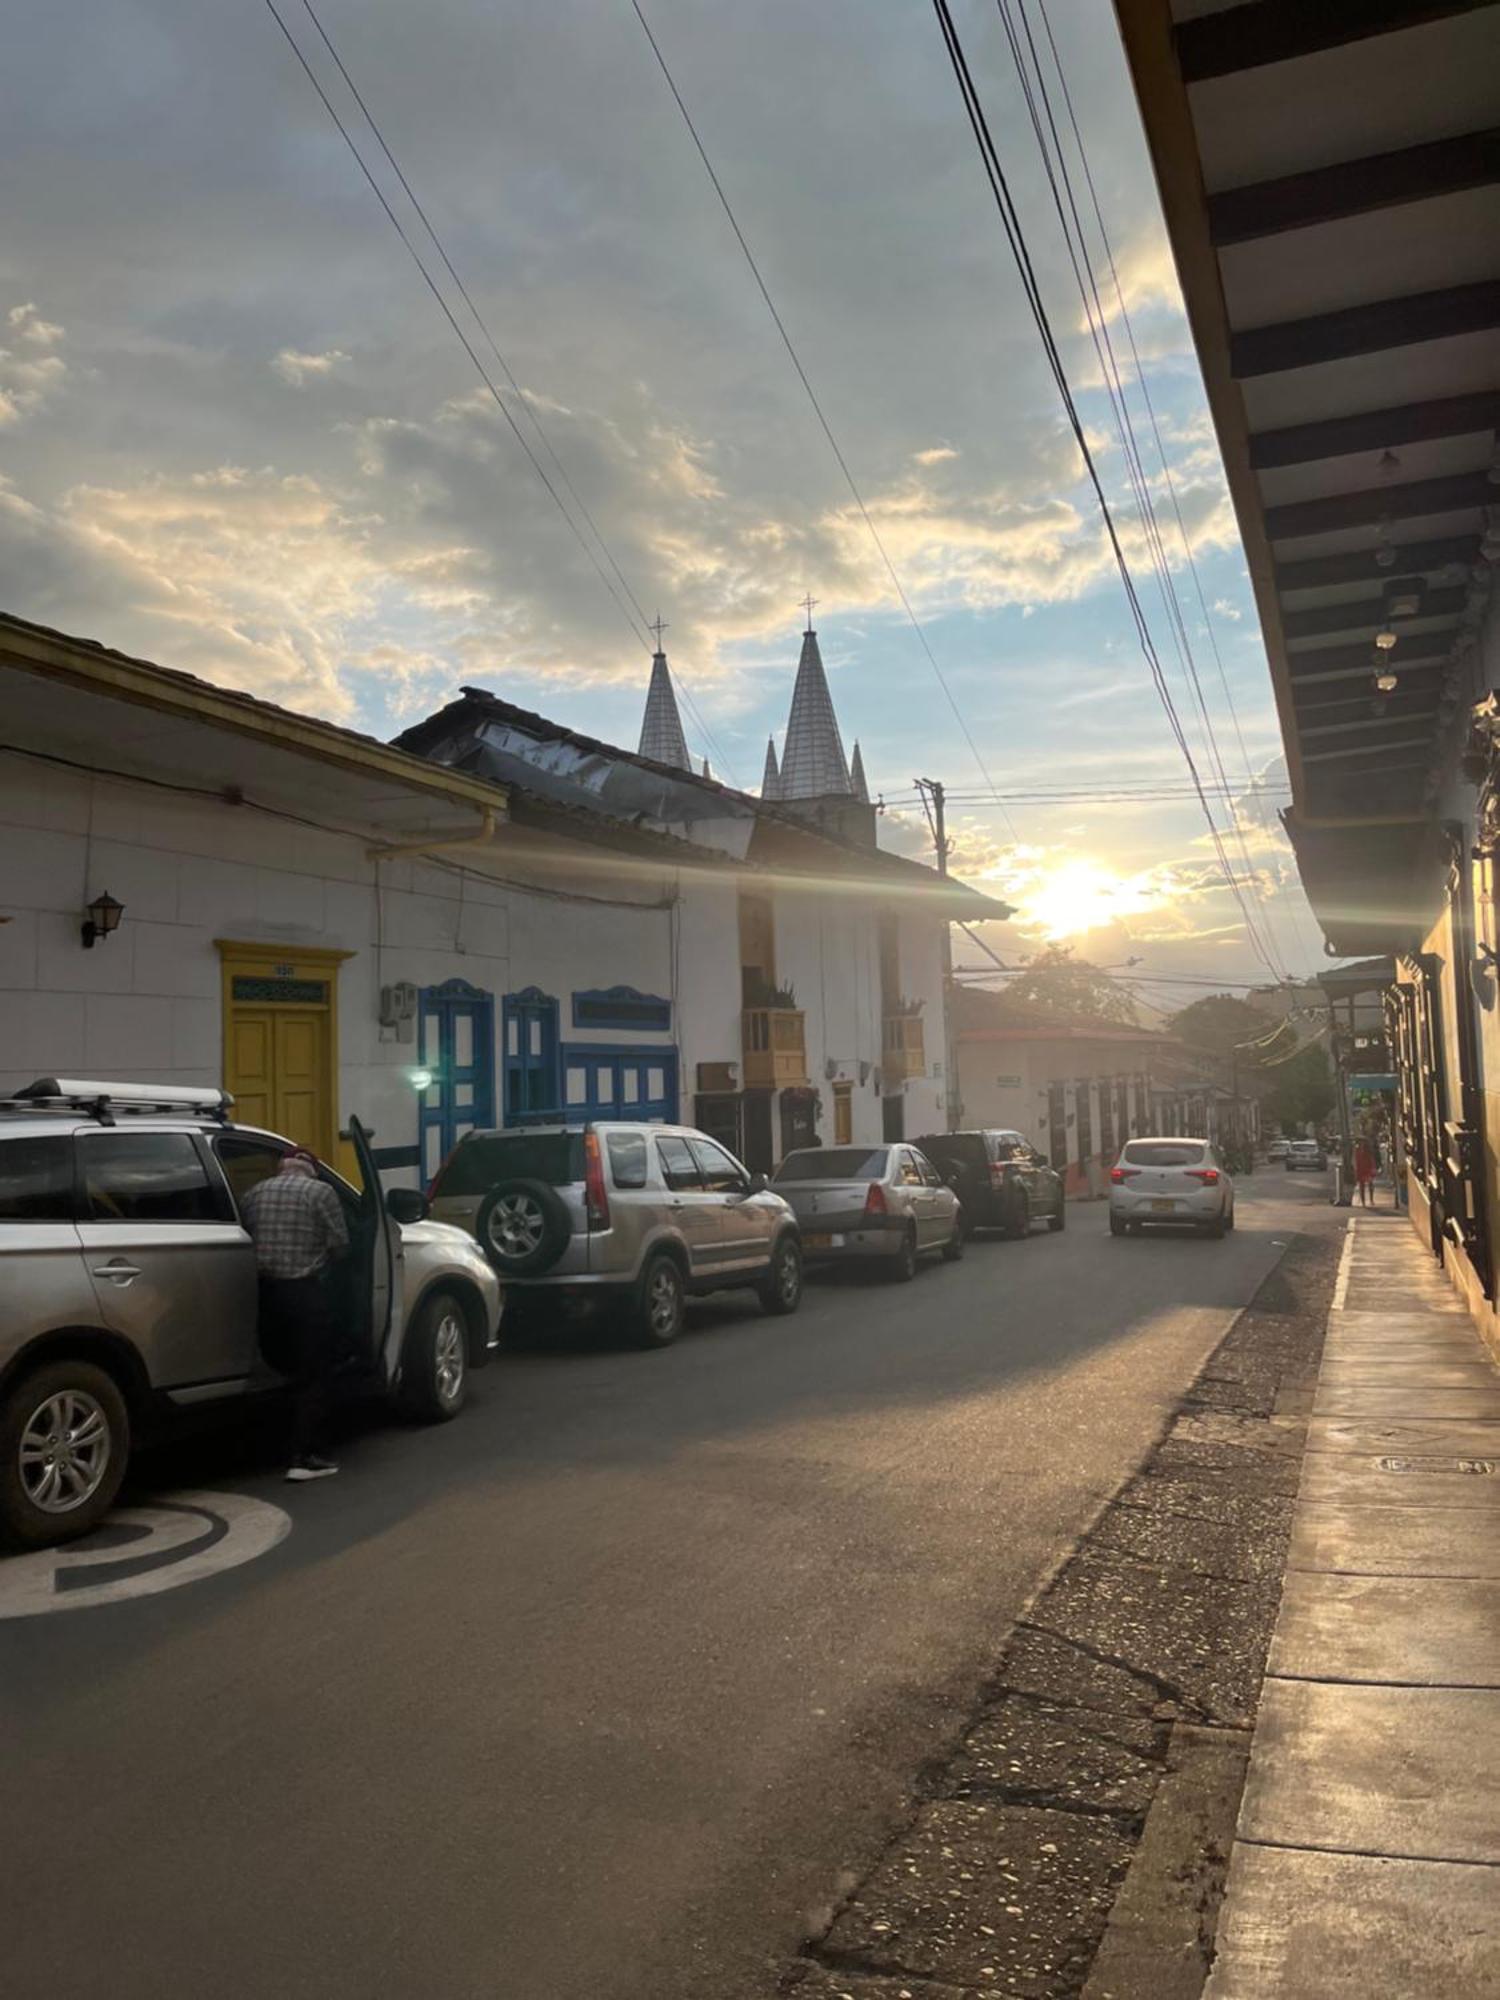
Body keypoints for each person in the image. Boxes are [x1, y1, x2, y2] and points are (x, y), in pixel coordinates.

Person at [242, 1148, 351, 1481]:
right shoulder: (322, 1192)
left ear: (282, 1168)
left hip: (264, 1295)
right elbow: (340, 1245)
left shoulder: (254, 1193)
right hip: (304, 1293)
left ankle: (271, 1444)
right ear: (312, 1170)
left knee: (281, 1367)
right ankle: (307, 1457)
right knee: (313, 1374)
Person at [1353, 1135, 1377, 1208]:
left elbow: (1371, 1159)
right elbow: (1355, 1160)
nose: (1361, 1143)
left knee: (1370, 1184)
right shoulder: (1356, 1150)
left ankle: (1371, 1199)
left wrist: (1373, 1168)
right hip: (1361, 1169)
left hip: (1367, 1168)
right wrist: (1355, 1168)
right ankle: (1363, 1202)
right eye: (1360, 1142)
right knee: (1362, 1186)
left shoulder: (1368, 1150)